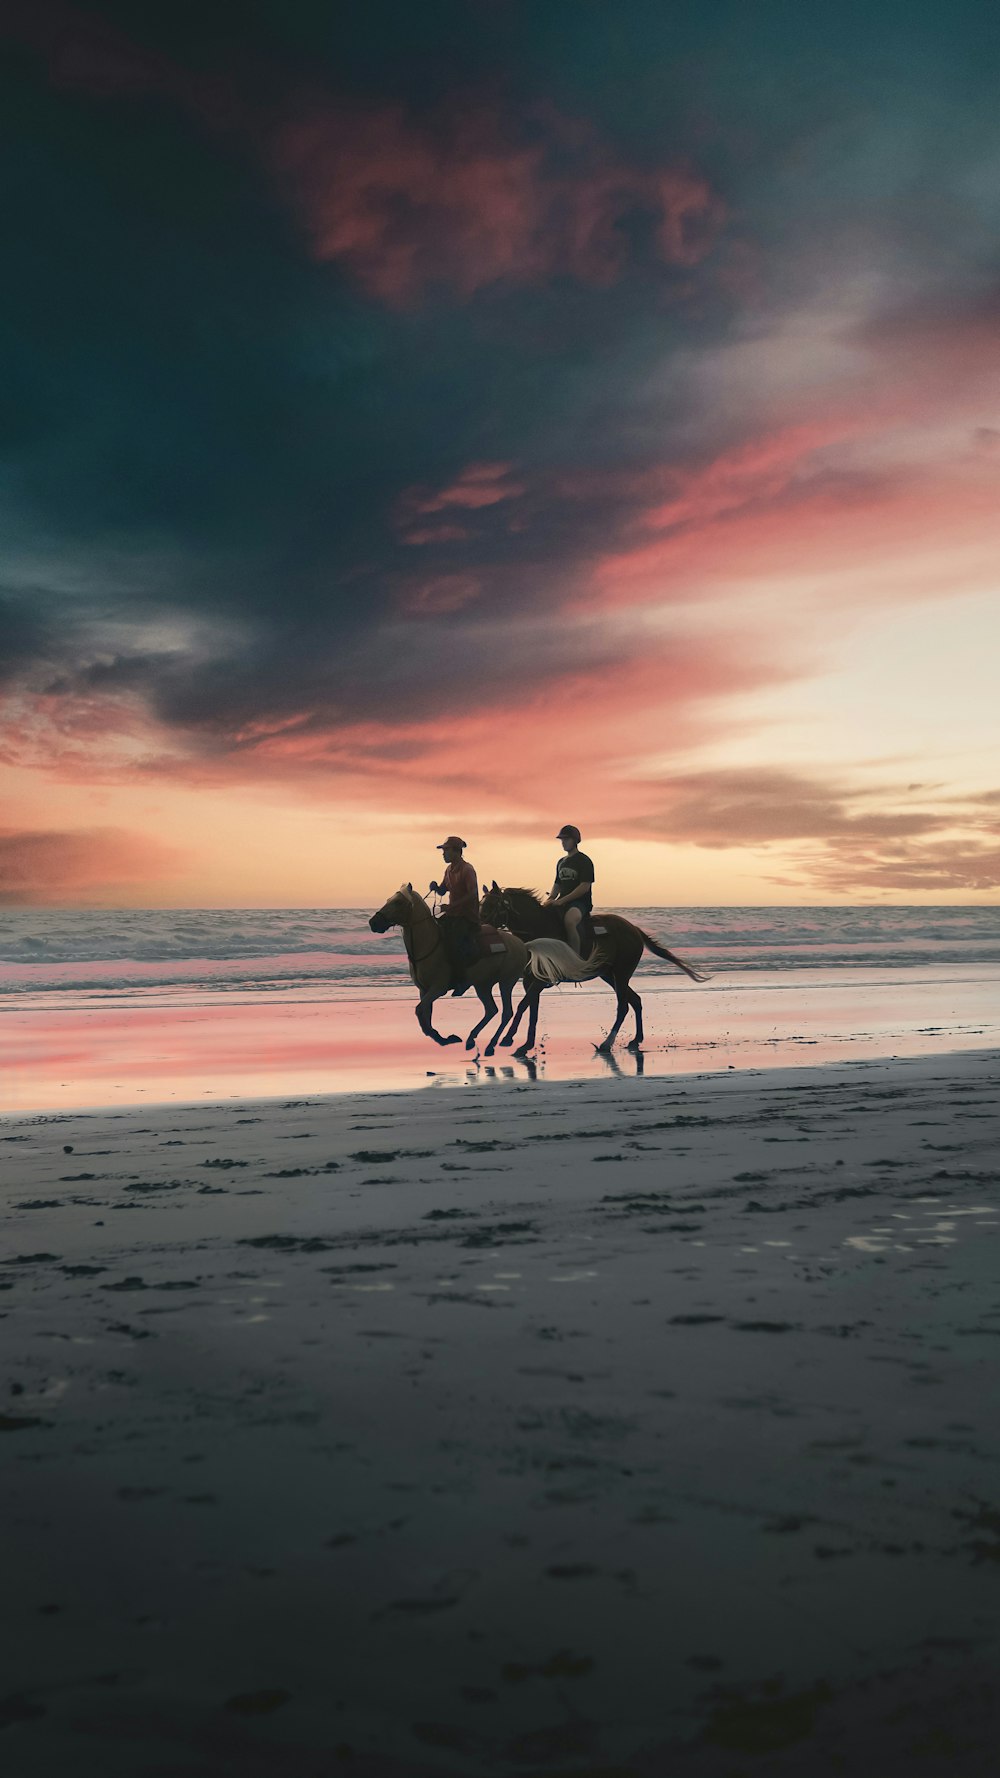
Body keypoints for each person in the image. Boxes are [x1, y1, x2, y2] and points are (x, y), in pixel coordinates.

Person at [429, 835, 481, 991]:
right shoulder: (449, 870)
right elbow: (443, 889)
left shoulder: (467, 869)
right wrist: (436, 888)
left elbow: (473, 894)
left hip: (467, 916)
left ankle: (462, 979)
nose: (443, 854)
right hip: (453, 914)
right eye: (443, 851)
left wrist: (451, 907)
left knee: (455, 941)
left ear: (457, 851)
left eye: (446, 850)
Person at [545, 824, 595, 955]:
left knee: (570, 921)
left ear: (575, 840)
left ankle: (575, 958)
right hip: (563, 901)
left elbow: (584, 886)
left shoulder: (584, 861)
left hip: (580, 903)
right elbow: (557, 884)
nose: (563, 843)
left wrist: (563, 900)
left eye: (566, 839)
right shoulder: (561, 862)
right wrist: (551, 898)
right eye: (562, 840)